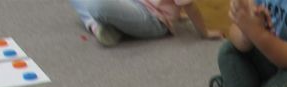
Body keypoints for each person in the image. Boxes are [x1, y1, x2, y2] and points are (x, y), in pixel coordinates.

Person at [69, 0, 222, 47]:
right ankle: (99, 26)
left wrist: (205, 33)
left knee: (97, 5)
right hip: (130, 4)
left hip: (153, 19)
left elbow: (190, 6)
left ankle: (100, 24)